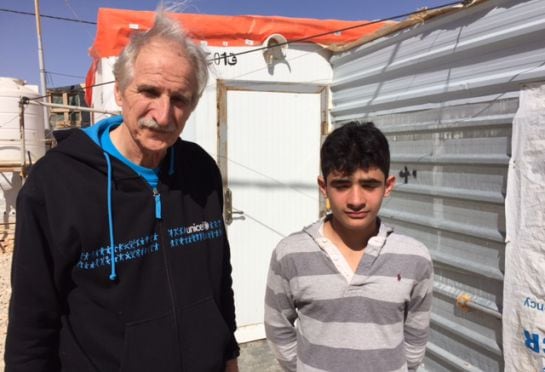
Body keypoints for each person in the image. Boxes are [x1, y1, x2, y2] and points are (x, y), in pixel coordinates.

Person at [5, 10, 239, 372]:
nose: (163, 114)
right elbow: (31, 324)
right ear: (118, 91)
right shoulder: (56, 184)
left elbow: (218, 282)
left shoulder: (200, 171)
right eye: (149, 91)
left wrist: (228, 355)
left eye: (180, 99)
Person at [265, 122, 433, 372]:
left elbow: (415, 335)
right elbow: (278, 328)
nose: (356, 200)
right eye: (342, 185)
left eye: (369, 185)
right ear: (324, 187)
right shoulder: (290, 254)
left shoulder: (415, 258)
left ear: (388, 186)